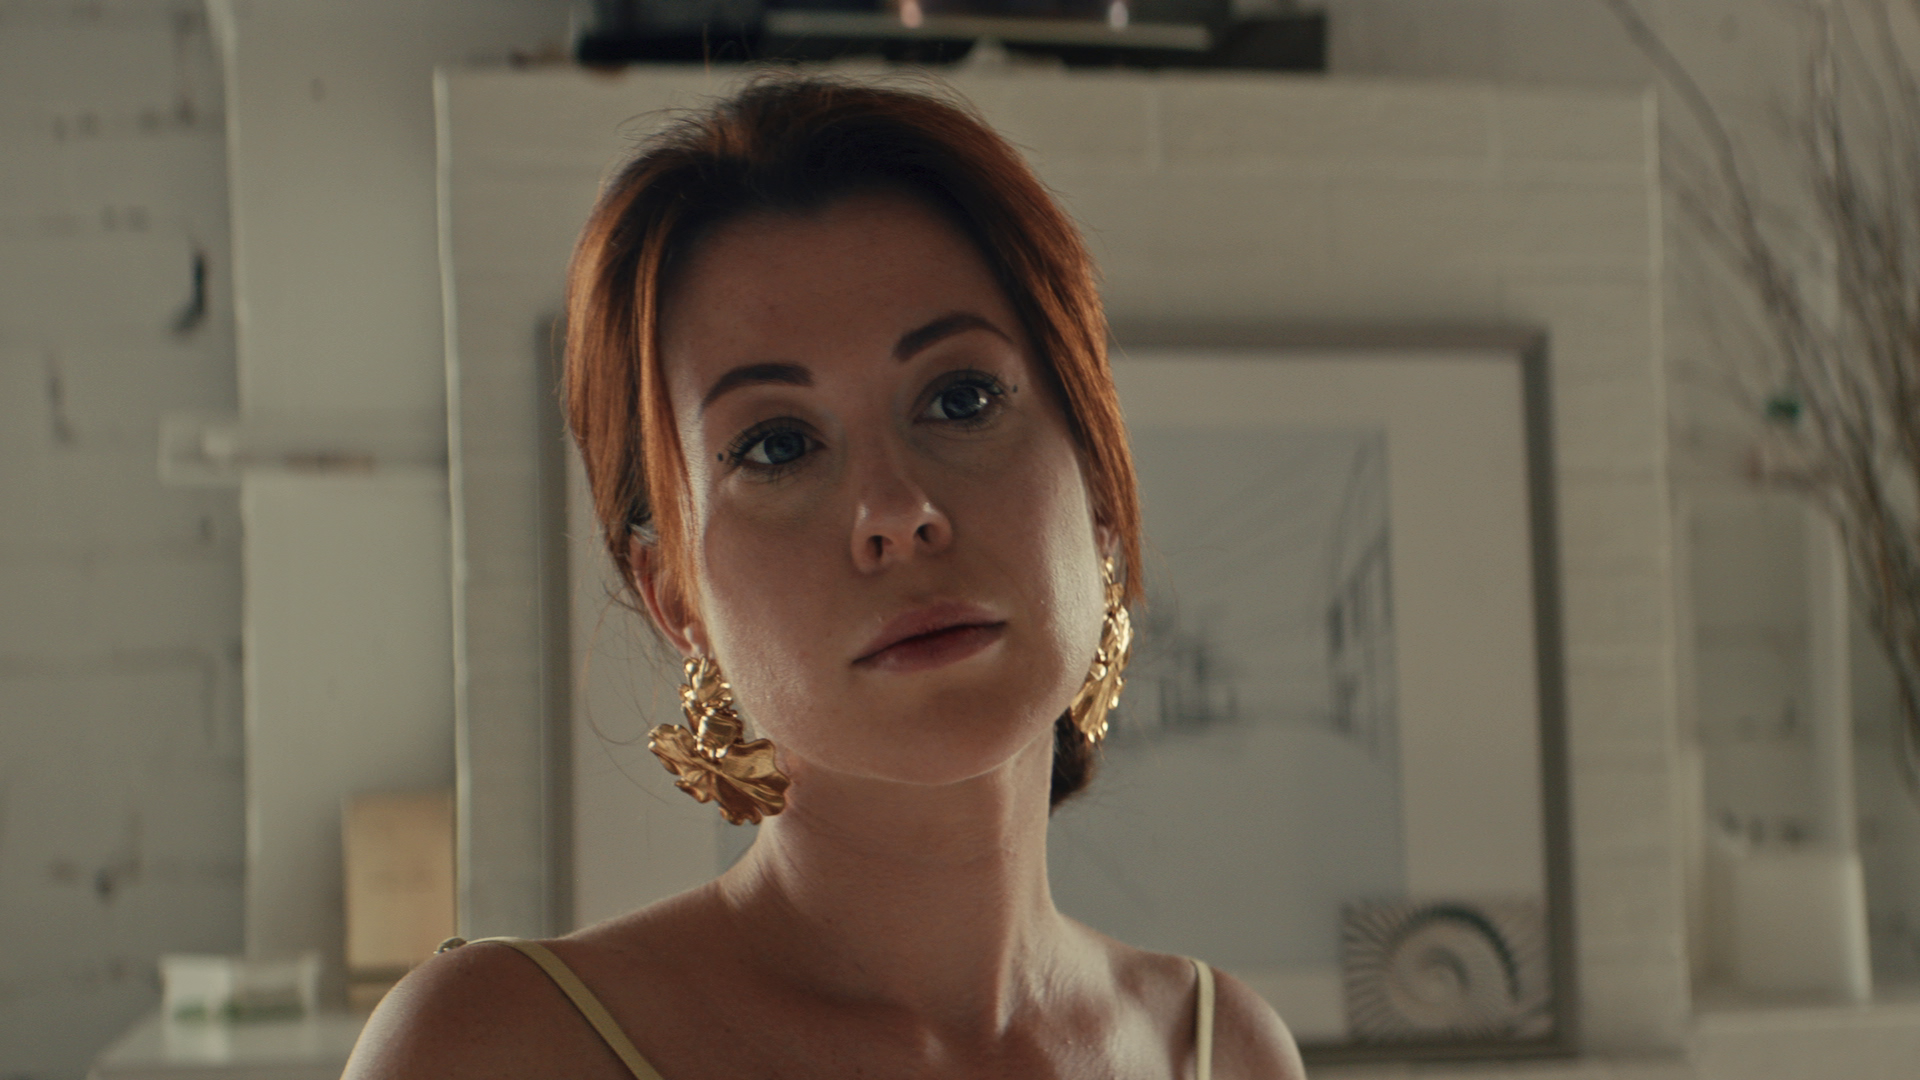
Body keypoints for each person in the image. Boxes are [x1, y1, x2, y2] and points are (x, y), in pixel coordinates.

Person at [345, 76, 1306, 1080]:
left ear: (1100, 482)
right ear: (674, 595)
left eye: (962, 398)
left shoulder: (1224, 1051)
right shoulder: (497, 1046)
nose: (897, 511)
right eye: (777, 446)